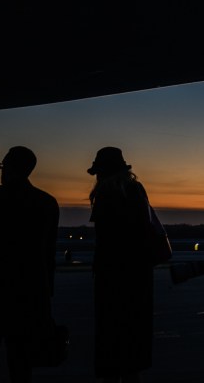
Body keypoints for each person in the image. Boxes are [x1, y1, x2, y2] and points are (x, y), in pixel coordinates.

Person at [0, 146, 59, 383]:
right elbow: (49, 253)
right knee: (21, 364)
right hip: (29, 293)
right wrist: (47, 292)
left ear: (8, 167)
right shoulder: (47, 202)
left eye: (3, 165)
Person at [88, 147, 156, 383]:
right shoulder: (136, 191)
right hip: (138, 276)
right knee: (132, 343)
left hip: (114, 276)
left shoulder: (108, 195)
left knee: (111, 340)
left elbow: (107, 240)